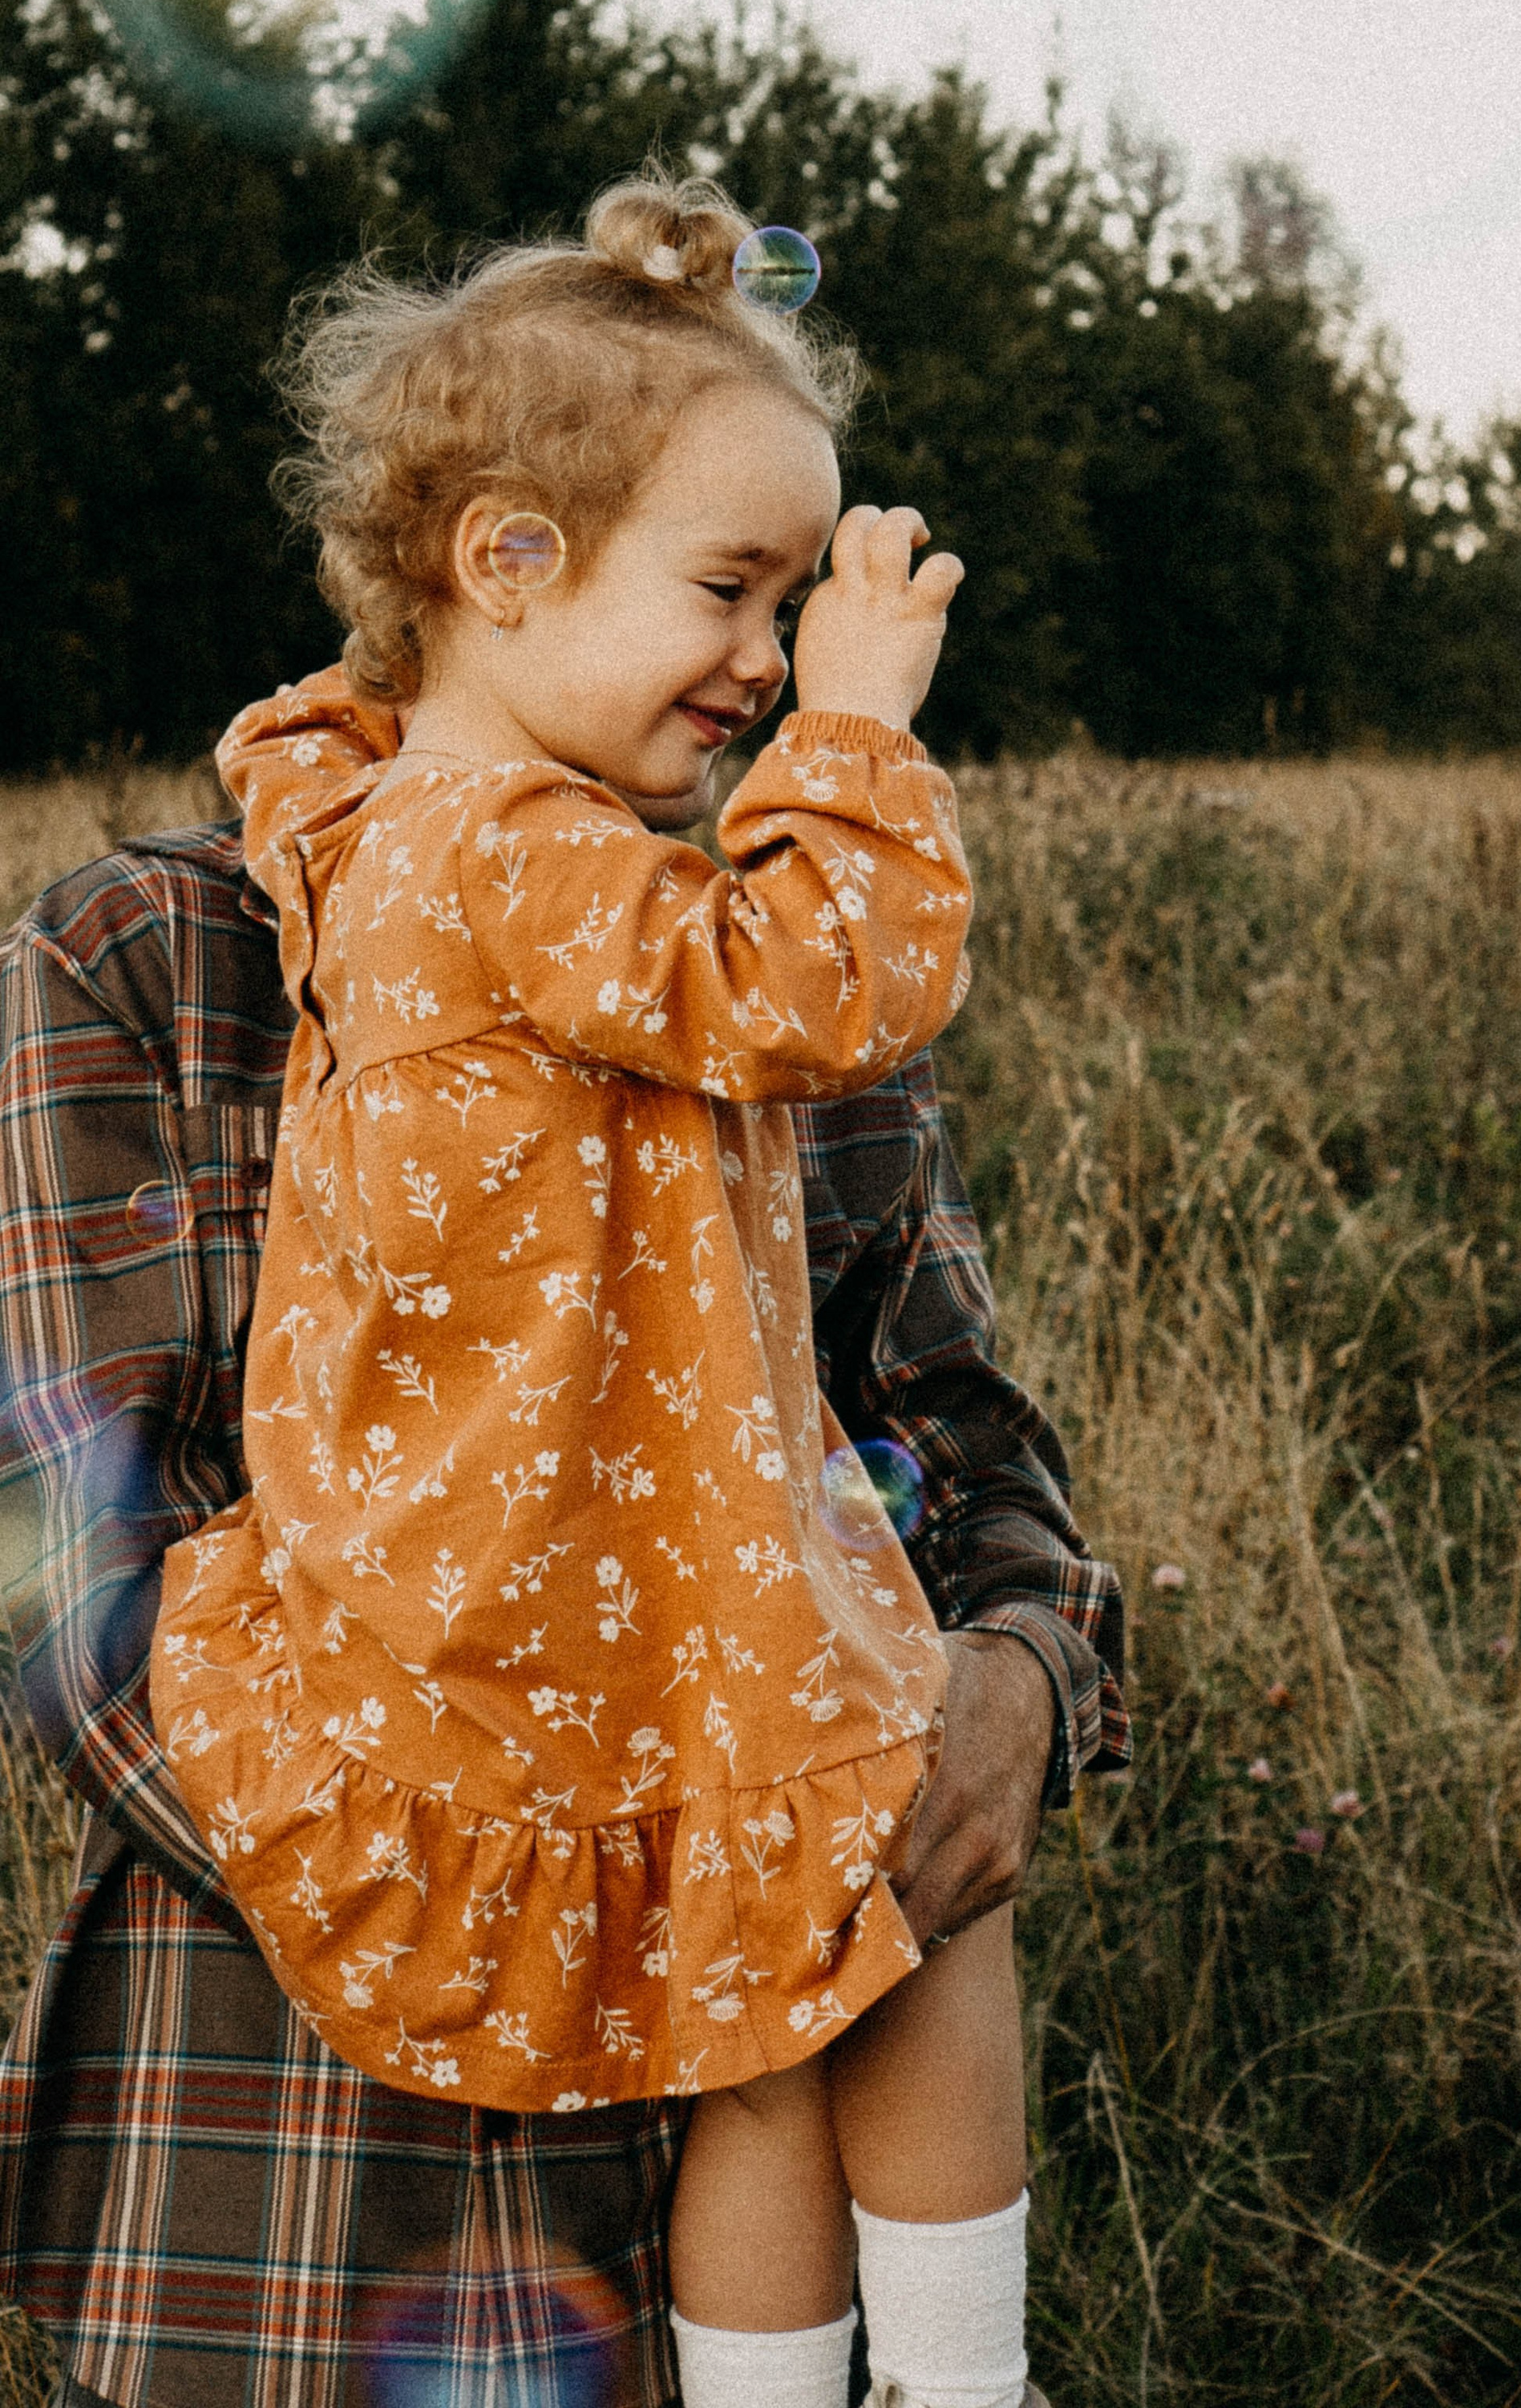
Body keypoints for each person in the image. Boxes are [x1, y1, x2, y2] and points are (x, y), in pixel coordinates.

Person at [0, 180, 1129, 2408]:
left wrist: (1021, 1676)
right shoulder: (150, 954)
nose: (776, 660)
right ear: (504, 560)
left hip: (735, 2102)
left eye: (797, 611)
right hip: (309, 2174)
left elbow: (962, 1426)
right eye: (736, 591)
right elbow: (70, 1568)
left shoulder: (601, 923)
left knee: (872, 1927)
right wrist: (545, 1866)